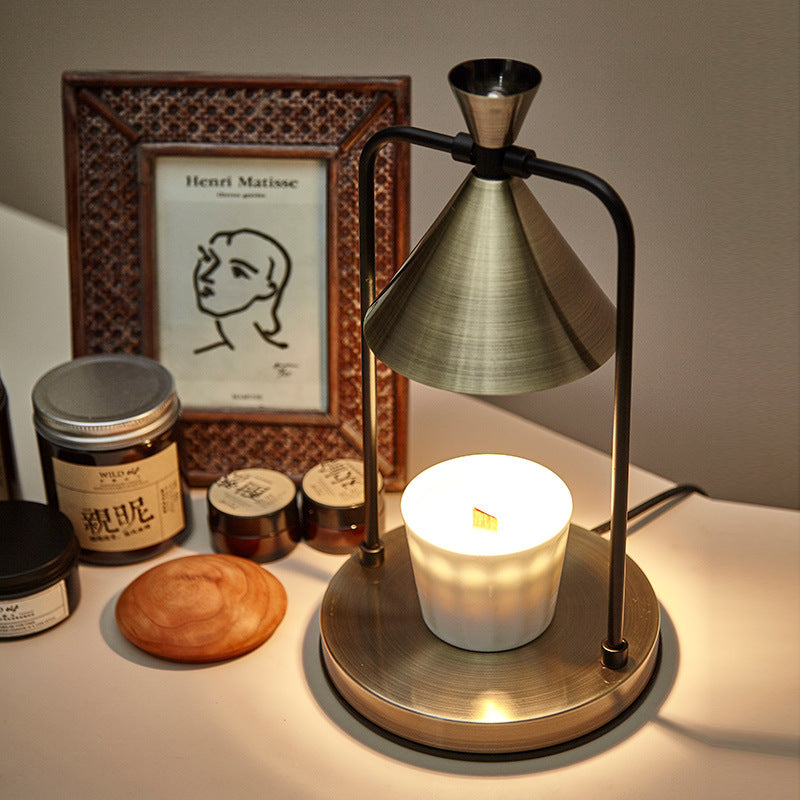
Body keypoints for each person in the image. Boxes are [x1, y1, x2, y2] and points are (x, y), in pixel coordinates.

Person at [192, 228, 291, 354]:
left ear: (268, 289)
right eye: (208, 259)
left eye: (237, 272)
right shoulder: (205, 355)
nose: (208, 276)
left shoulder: (276, 357)